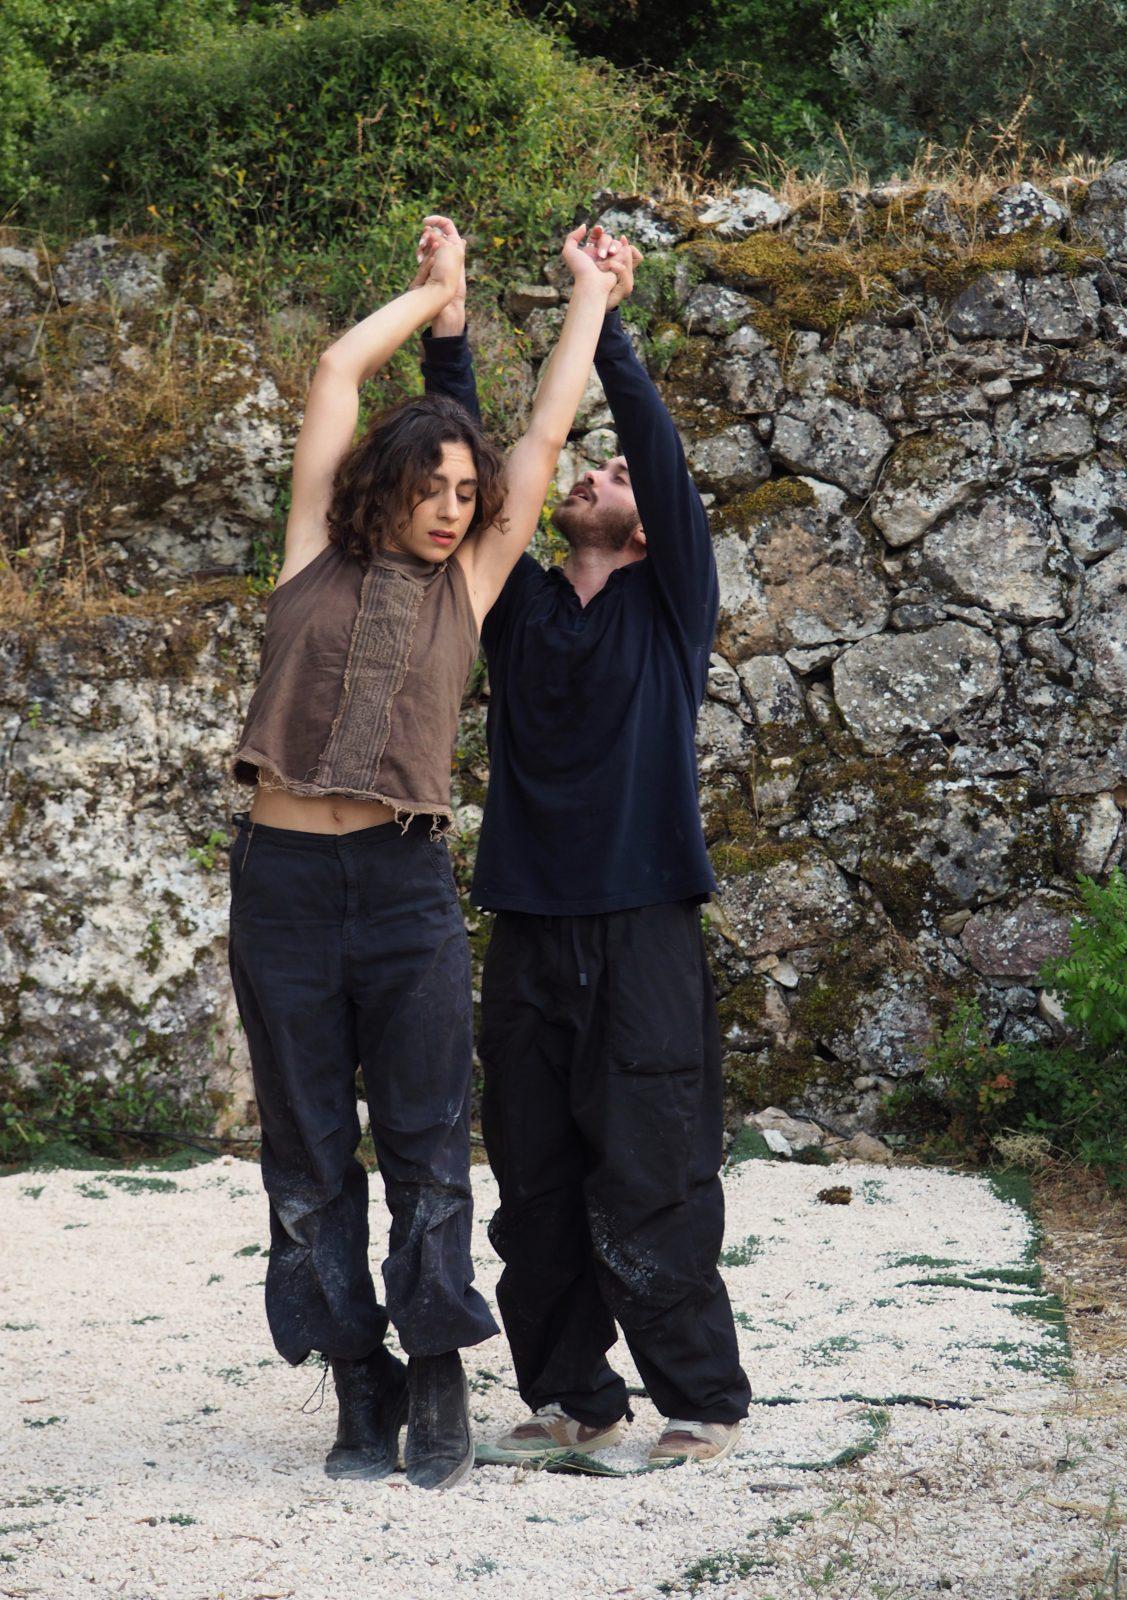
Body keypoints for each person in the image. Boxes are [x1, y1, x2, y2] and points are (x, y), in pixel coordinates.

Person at [226, 216, 626, 1490]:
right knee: (302, 1151)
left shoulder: (474, 585)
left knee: (425, 1140)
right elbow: (338, 376)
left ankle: (440, 1366)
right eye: (436, 487)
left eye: (470, 493)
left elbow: (549, 433)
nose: (457, 508)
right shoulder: (309, 558)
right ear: (383, 486)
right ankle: (360, 1380)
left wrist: (590, 298)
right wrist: (433, 294)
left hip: (403, 890)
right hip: (282, 886)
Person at [462, 246, 753, 1465]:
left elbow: (663, 465)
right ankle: (574, 1395)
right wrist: (448, 329)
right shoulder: (520, 604)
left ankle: (699, 1404)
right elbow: (481, 481)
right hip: (527, 922)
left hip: (642, 926)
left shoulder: (669, 601)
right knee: (531, 1182)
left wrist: (615, 332)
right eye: (593, 466)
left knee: (652, 1170)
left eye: (616, 469)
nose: (598, 470)